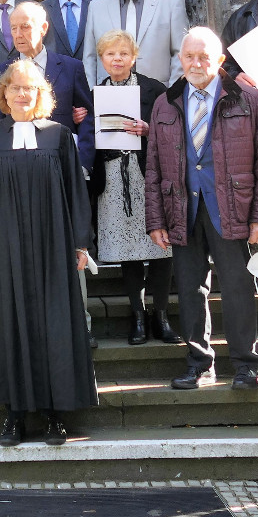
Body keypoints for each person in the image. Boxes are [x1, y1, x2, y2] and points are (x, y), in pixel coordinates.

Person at [0, 60, 97, 446]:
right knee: (8, 323)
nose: (22, 94)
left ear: (42, 95)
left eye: (30, 88)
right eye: (14, 88)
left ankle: (55, 415)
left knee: (53, 323)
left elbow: (76, 192)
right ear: (3, 94)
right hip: (2, 245)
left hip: (52, 244)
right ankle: (15, 415)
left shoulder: (58, 135)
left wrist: (79, 242)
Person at [145, 28, 258, 390]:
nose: (196, 63)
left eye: (205, 56)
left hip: (232, 206)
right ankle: (199, 363)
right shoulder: (165, 102)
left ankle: (245, 365)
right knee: (190, 288)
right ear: (180, 60)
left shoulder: (246, 98)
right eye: (189, 56)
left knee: (237, 286)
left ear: (220, 60)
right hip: (182, 207)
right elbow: (154, 166)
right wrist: (155, 219)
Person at [88, 29, 179, 346]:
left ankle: (162, 316)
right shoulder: (95, 93)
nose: (117, 59)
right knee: (129, 253)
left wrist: (148, 129)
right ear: (102, 59)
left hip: (148, 176)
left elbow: (174, 133)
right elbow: (89, 139)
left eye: (123, 53)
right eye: (110, 54)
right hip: (113, 177)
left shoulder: (154, 90)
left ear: (134, 57)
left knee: (160, 247)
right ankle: (138, 317)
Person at [0, 1, 95, 172]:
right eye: (13, 28)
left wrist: (83, 164)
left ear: (43, 28)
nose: (18, 34)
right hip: (17, 168)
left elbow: (87, 118)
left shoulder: (71, 68)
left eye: (25, 27)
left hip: (64, 165)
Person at [82, 0, 189, 86]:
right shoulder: (96, 7)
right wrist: (92, 97)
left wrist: (171, 97)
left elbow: (181, 53)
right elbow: (89, 59)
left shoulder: (171, 3)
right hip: (110, 96)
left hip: (159, 96)